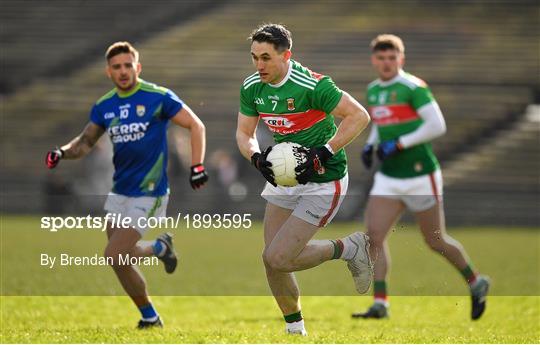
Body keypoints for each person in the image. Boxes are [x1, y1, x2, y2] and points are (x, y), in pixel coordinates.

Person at [45, 41, 208, 328]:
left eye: (128, 65)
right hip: (119, 191)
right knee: (121, 256)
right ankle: (158, 254)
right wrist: (62, 152)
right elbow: (85, 142)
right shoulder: (105, 105)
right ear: (109, 71)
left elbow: (196, 125)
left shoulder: (158, 97)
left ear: (138, 67)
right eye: (117, 67)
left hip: (151, 192)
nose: (123, 71)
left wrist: (197, 167)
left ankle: (152, 314)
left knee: (114, 255)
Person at [236, 24, 373, 336]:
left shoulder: (312, 85)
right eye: (254, 57)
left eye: (266, 58)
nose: (259, 66)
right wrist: (257, 158)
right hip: (285, 177)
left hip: (325, 179)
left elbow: (359, 116)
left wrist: (324, 151)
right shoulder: (252, 87)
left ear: (287, 55)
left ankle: (349, 248)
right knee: (272, 261)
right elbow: (244, 134)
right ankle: (295, 331)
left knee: (279, 257)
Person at [353, 34, 490, 320]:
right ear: (373, 60)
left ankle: (476, 282)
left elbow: (437, 125)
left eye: (392, 58)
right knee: (372, 238)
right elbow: (381, 122)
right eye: (381, 58)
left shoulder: (413, 88)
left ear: (401, 59)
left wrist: (400, 143)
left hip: (419, 175)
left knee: (435, 241)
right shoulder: (375, 89)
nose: (387, 63)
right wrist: (370, 144)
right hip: (389, 176)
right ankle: (380, 303)